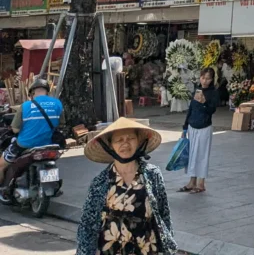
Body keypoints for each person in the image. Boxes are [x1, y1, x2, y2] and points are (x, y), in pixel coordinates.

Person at [76, 117, 175, 255]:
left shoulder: (152, 174)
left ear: (138, 141)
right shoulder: (100, 182)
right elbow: (87, 225)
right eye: (119, 140)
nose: (125, 143)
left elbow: (164, 215)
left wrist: (169, 247)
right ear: (110, 145)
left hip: (147, 249)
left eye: (131, 138)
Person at [0, 78, 63, 196]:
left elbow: (15, 129)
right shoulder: (57, 104)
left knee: (1, 165)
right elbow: (61, 123)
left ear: (32, 93)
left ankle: (3, 191)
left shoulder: (25, 106)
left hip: (25, 144)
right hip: (48, 144)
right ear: (47, 91)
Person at [180, 67, 219, 194]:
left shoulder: (213, 93)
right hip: (192, 126)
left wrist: (204, 103)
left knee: (202, 155)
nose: (205, 81)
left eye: (208, 78)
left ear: (212, 79)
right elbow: (191, 109)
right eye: (203, 78)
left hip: (204, 127)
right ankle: (192, 181)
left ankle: (201, 183)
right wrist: (185, 127)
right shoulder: (197, 90)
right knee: (192, 155)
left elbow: (212, 110)